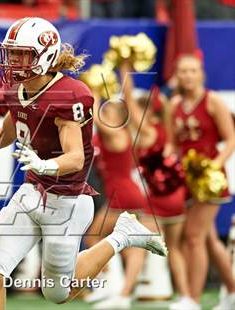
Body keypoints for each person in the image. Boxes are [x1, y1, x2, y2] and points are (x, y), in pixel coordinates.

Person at [0, 17, 167, 310]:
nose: (14, 61)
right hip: (32, 192)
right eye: (11, 53)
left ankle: (122, 236)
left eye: (22, 54)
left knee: (57, 293)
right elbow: (1, 137)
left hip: (67, 201)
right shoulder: (18, 90)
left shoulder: (70, 94)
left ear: (45, 55)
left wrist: (44, 165)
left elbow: (76, 156)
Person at [118, 60, 190, 309]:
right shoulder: (166, 130)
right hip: (176, 193)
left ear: (150, 111)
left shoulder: (147, 132)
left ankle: (125, 295)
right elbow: (166, 108)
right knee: (176, 249)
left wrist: (124, 67)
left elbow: (127, 101)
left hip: (158, 196)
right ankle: (186, 297)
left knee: (138, 245)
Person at [165, 54, 235, 310]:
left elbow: (231, 139)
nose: (187, 75)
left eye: (192, 70)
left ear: (201, 74)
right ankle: (232, 292)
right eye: (182, 71)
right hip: (187, 177)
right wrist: (166, 162)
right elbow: (173, 142)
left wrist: (214, 166)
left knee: (193, 236)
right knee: (208, 239)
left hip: (211, 179)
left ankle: (192, 299)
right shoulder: (174, 105)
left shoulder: (212, 100)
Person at [83, 71, 151, 310]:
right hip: (123, 194)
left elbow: (96, 121)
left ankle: (114, 287)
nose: (105, 113)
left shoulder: (119, 134)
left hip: (124, 195)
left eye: (110, 111)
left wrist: (94, 95)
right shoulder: (106, 136)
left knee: (93, 236)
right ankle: (118, 292)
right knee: (127, 245)